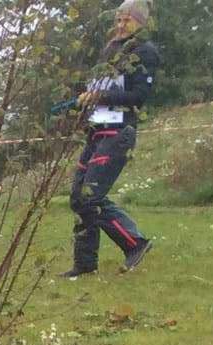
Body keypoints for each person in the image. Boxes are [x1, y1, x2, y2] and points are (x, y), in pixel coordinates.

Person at [63, 0, 159, 279]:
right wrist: (86, 99)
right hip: (96, 129)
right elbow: (101, 88)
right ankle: (84, 265)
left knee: (90, 195)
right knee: (78, 199)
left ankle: (136, 243)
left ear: (140, 23)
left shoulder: (145, 52)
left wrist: (99, 96)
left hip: (119, 132)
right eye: (118, 20)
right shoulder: (111, 49)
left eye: (127, 20)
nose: (120, 25)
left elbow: (138, 96)